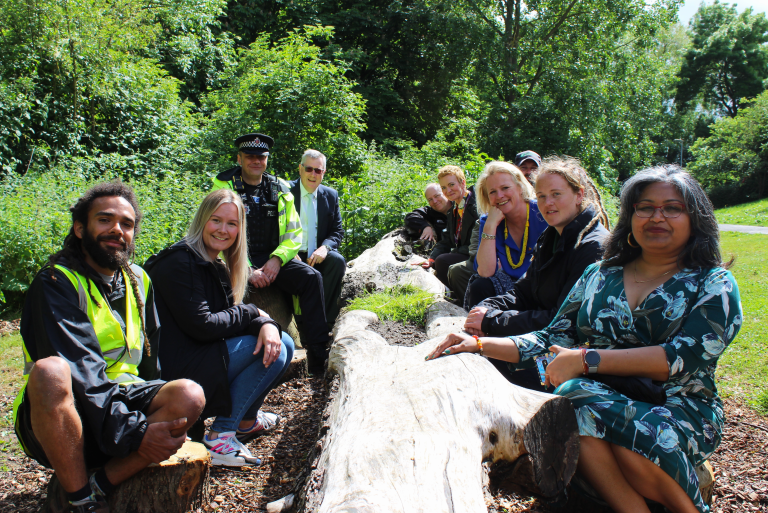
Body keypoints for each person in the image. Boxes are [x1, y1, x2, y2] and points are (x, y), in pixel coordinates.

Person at [427, 165, 741, 513]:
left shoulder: (713, 283)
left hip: (679, 404)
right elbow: (552, 336)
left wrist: (587, 360)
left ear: (694, 217)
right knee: (582, 406)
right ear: (631, 216)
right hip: (602, 396)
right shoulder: (600, 273)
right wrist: (480, 344)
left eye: (672, 208)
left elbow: (683, 357)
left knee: (580, 401)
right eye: (645, 207)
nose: (657, 217)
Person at [13, 182, 206, 512]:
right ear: (79, 228)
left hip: (121, 408)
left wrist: (173, 420)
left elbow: (150, 364)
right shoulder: (57, 283)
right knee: (50, 371)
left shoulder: (139, 280)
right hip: (67, 418)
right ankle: (80, 500)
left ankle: (103, 482)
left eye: (127, 224)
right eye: (105, 220)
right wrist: (138, 432)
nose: (117, 230)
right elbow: (82, 376)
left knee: (189, 394)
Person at [144, 189, 295, 466]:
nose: (223, 230)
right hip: (173, 372)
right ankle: (221, 436)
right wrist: (255, 313)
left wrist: (264, 322)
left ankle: (246, 422)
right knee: (275, 346)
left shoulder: (213, 263)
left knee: (281, 342)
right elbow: (203, 325)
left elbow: (231, 318)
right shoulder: (179, 262)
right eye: (216, 220)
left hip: (198, 354)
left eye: (232, 224)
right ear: (202, 220)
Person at [464, 157, 611, 390]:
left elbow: (563, 322)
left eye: (556, 194)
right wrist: (487, 308)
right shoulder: (552, 235)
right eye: (541, 196)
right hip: (546, 335)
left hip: (575, 354)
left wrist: (492, 321)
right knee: (483, 347)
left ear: (579, 194)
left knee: (492, 371)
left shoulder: (592, 247)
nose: (547, 203)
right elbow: (523, 289)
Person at [212, 133, 329, 372]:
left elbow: (294, 233)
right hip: (234, 258)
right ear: (240, 158)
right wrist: (246, 270)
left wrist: (276, 260)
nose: (256, 161)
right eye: (250, 156)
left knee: (311, 278)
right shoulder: (223, 187)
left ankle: (317, 353)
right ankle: (223, 357)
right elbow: (217, 233)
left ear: (267, 159)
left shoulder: (280, 187)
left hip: (272, 256)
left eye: (261, 157)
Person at [465, 161, 549, 309]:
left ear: (520, 187)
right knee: (480, 285)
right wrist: (490, 226)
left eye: (505, 188)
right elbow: (485, 271)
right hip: (511, 286)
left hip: (542, 284)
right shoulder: (489, 220)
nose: (500, 196)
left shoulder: (542, 212)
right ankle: (478, 329)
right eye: (492, 192)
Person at [289, 149, 346, 326]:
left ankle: (325, 323)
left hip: (317, 253)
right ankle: (300, 325)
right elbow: (273, 229)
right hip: (291, 254)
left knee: (337, 261)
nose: (313, 174)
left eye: (318, 170)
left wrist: (325, 248)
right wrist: (288, 251)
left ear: (323, 173)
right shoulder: (285, 192)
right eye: (309, 169)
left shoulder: (330, 195)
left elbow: (337, 231)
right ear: (300, 169)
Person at [422, 166, 480, 301]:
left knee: (443, 261)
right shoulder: (453, 209)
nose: (448, 190)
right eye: (443, 188)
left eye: (451, 185)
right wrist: (431, 259)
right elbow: (447, 239)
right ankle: (454, 297)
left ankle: (464, 301)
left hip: (478, 254)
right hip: (464, 253)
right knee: (438, 260)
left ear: (463, 183)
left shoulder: (475, 206)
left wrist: (454, 252)